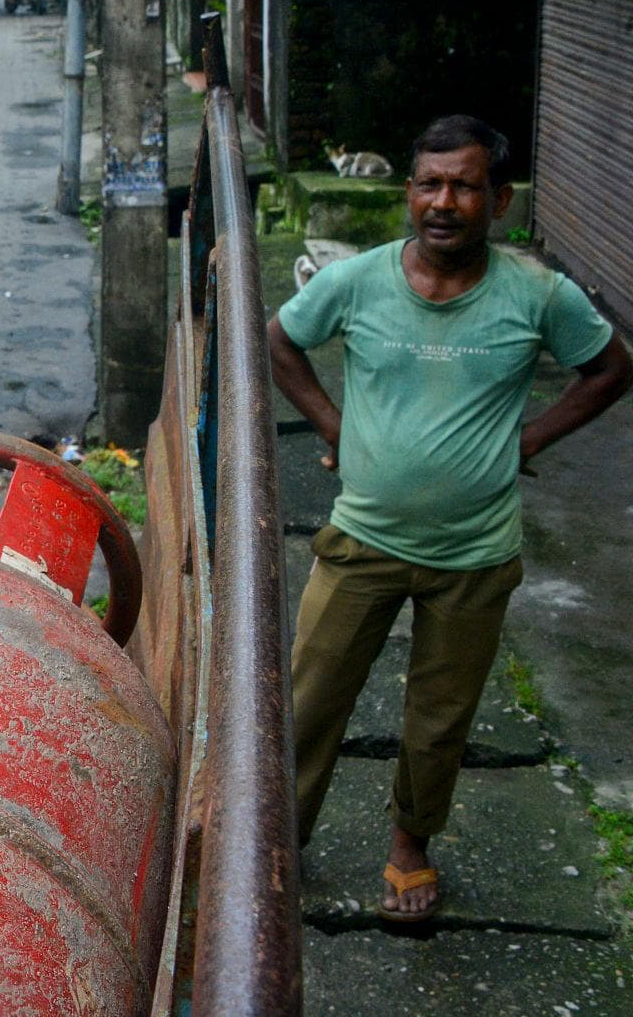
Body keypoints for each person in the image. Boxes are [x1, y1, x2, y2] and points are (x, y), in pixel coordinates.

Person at [268, 114, 630, 924]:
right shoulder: (357, 280)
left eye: (465, 186)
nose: (444, 201)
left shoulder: (537, 294)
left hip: (475, 555)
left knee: (439, 718)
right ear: (408, 193)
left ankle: (409, 845)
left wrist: (528, 437)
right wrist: (335, 426)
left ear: (497, 199)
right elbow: (282, 340)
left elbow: (610, 368)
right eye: (429, 183)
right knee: (308, 697)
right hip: (361, 539)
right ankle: (276, 840)